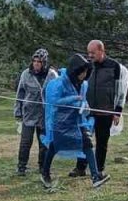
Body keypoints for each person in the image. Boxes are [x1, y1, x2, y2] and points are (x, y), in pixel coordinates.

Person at [38, 54, 111, 189]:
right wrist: (72, 100)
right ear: (75, 71)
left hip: (77, 121)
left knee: (87, 144)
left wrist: (85, 107)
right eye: (82, 71)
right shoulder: (59, 83)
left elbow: (81, 100)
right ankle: (45, 172)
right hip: (60, 122)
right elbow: (54, 102)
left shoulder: (83, 84)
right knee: (54, 146)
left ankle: (95, 176)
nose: (84, 74)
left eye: (86, 72)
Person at [72, 40, 128, 178]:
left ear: (101, 51)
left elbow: (121, 91)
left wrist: (117, 111)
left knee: (102, 141)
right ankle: (80, 168)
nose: (90, 55)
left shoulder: (115, 67)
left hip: (106, 111)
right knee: (84, 139)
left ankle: (98, 170)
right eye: (88, 53)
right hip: (88, 111)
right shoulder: (86, 66)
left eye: (93, 52)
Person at [14, 49, 58, 175]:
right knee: (25, 141)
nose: (36, 64)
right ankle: (21, 167)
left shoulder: (52, 75)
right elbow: (20, 93)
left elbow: (57, 94)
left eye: (39, 61)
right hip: (29, 112)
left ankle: (42, 166)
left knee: (44, 142)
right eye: (34, 61)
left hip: (45, 114)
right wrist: (18, 111)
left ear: (44, 62)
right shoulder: (26, 74)